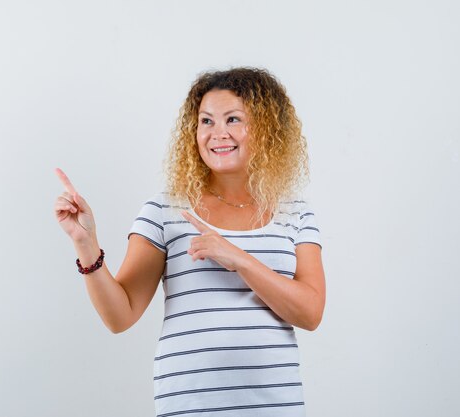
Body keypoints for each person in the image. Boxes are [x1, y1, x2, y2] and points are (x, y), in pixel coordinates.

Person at [54, 67, 326, 417]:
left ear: (266, 129)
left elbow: (311, 312)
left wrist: (239, 259)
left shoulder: (295, 214)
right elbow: (120, 316)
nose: (218, 133)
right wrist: (85, 242)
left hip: (276, 407)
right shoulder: (165, 211)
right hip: (189, 406)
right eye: (207, 121)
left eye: (233, 119)